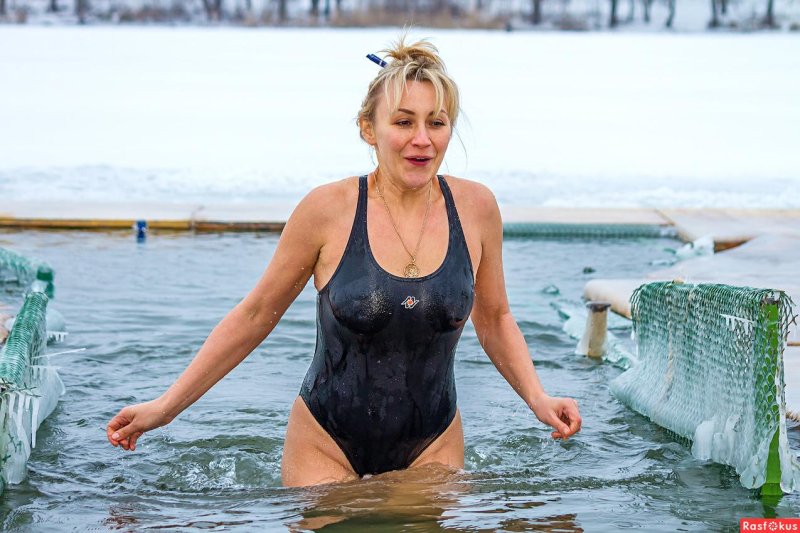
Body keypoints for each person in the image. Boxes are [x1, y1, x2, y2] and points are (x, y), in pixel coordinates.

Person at [106, 37, 582, 487]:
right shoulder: (327, 211)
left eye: (436, 123)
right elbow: (255, 316)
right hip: (325, 443)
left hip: (433, 444)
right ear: (368, 129)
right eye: (403, 122)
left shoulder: (476, 208)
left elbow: (495, 318)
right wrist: (165, 407)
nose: (422, 139)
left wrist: (537, 397)